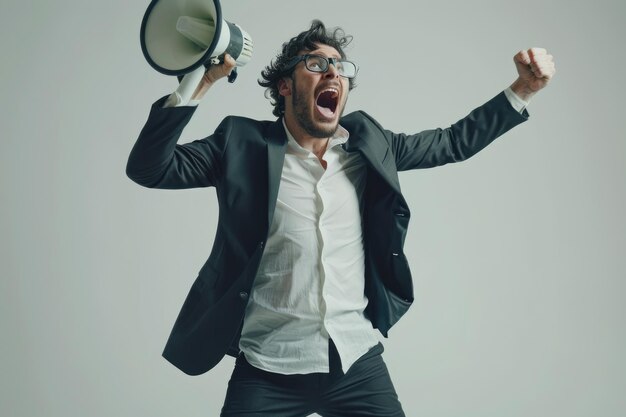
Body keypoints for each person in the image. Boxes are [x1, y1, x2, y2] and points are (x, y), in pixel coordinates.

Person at [127, 20, 555, 417]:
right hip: (267, 369)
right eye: (316, 64)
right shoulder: (239, 143)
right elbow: (150, 168)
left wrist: (523, 89)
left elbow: (452, 143)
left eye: (340, 67)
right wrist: (198, 82)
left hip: (355, 362)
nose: (333, 73)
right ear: (286, 87)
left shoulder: (369, 143)